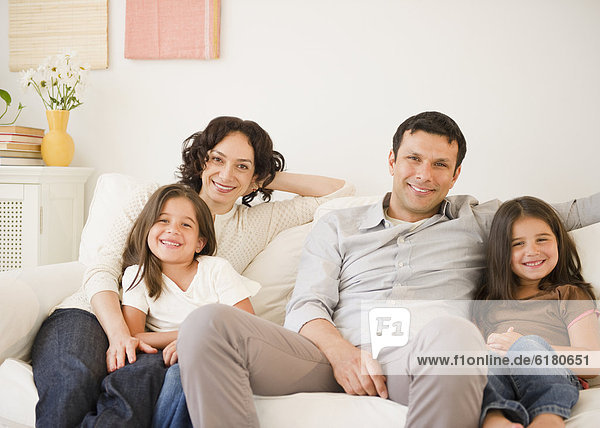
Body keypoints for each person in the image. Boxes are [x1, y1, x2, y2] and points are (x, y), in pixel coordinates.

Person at [176, 111, 600, 428]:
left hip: (417, 359)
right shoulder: (337, 224)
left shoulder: (479, 219)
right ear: (393, 160)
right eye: (413, 159)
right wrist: (344, 356)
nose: (423, 175)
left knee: (456, 335)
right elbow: (307, 304)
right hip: (329, 355)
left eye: (439, 165)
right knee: (207, 323)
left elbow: (573, 212)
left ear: (455, 175)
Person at [31, 116, 353, 427]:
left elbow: (340, 191)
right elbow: (102, 268)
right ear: (201, 161)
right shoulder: (153, 200)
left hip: (158, 342)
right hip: (92, 313)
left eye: (241, 165)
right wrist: (119, 336)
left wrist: (263, 174)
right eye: (217, 159)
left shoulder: (255, 222)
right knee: (73, 382)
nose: (226, 174)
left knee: (137, 392)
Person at [472, 197, 600, 428]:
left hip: (552, 376)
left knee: (529, 345)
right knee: (484, 361)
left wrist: (524, 349)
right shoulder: (487, 302)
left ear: (558, 243)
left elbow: (594, 361)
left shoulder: (568, 295)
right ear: (501, 251)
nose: (532, 251)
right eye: (517, 244)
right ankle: (495, 418)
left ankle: (548, 417)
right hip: (502, 375)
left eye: (542, 239)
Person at [121, 183, 259, 368]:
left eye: (186, 224)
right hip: (159, 355)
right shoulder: (137, 274)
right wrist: (189, 336)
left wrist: (194, 340)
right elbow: (134, 336)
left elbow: (248, 325)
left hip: (211, 351)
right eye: (163, 220)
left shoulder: (216, 270)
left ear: (199, 243)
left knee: (185, 370)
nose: (173, 230)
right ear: (147, 229)